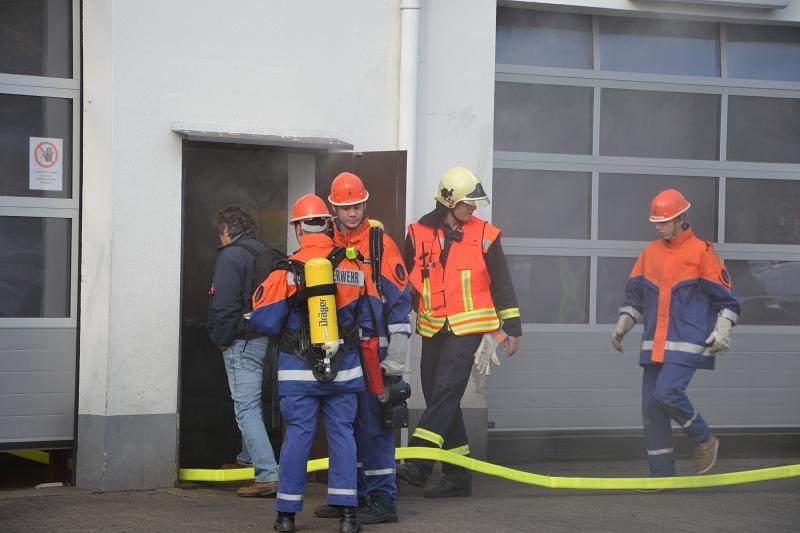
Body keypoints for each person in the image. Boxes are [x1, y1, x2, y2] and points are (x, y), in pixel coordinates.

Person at [396, 166, 521, 498]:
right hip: (432, 326)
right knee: (439, 396)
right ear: (448, 201)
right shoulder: (417, 233)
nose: (473, 208)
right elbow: (408, 280)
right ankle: (458, 476)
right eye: (468, 202)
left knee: (446, 390)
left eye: (475, 202)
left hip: (469, 328)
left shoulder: (486, 235)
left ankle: (419, 462)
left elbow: (502, 283)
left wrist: (511, 327)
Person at [250, 194, 371, 533]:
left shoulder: (286, 270)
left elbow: (265, 321)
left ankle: (286, 516)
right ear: (329, 225)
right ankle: (348, 517)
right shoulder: (351, 265)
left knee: (298, 438)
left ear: (298, 228)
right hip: (344, 369)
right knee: (343, 436)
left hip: (298, 372)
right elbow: (366, 315)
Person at [611, 189, 740, 477]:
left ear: (681, 219)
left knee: (667, 392)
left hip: (687, 342)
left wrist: (723, 330)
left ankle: (704, 439)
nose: (658, 227)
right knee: (651, 409)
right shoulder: (649, 254)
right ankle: (662, 474)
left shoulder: (702, 252)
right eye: (656, 222)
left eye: (664, 221)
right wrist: (622, 325)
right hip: (654, 345)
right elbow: (634, 299)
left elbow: (727, 300)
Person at [312, 172, 412, 524]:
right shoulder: (325, 243)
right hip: (339, 350)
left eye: (356, 205)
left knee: (376, 426)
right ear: (334, 209)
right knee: (344, 424)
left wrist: (396, 361)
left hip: (373, 351)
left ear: (364, 203)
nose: (352, 212)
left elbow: (399, 303)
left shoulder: (380, 243)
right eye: (345, 207)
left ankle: (383, 500)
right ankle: (349, 495)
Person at [207, 205, 279, 497]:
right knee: (252, 403)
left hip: (241, 341)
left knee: (245, 408)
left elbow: (224, 306)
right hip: (263, 339)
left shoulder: (230, 256)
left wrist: (221, 339)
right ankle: (247, 460)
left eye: (220, 233)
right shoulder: (262, 252)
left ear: (226, 230)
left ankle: (267, 474)